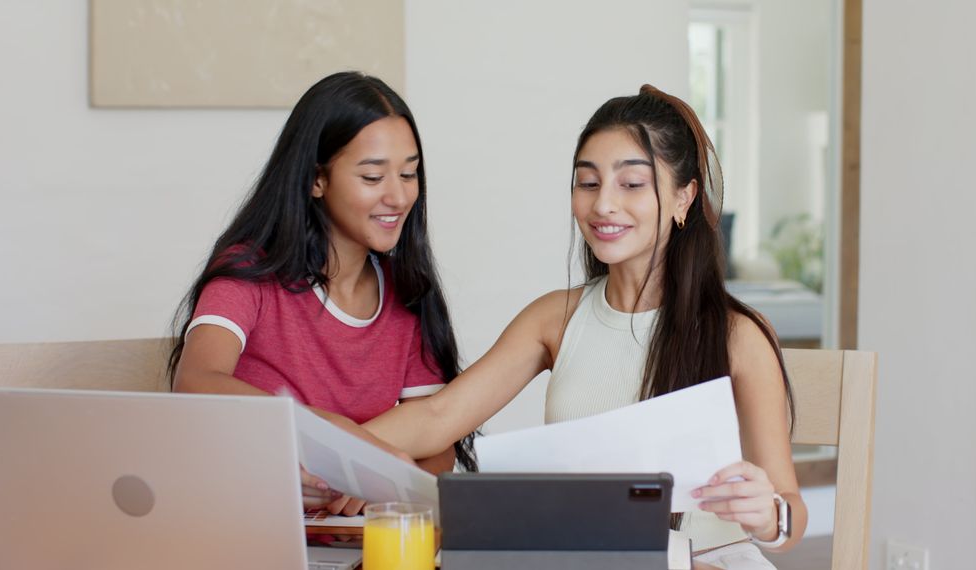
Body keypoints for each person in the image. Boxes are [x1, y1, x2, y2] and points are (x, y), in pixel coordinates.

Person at [359, 85, 806, 568]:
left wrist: (769, 515)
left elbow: (790, 515)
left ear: (684, 197)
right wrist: (324, 451)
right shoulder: (555, 317)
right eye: (588, 183)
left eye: (631, 184)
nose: (602, 206)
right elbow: (437, 417)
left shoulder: (738, 334)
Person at [169, 71, 474, 517]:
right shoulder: (252, 271)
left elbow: (437, 447)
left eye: (409, 174)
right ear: (317, 180)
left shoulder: (408, 294)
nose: (399, 195)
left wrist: (373, 481)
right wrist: (330, 435)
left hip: (351, 538)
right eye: (373, 177)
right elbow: (196, 381)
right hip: (244, 520)